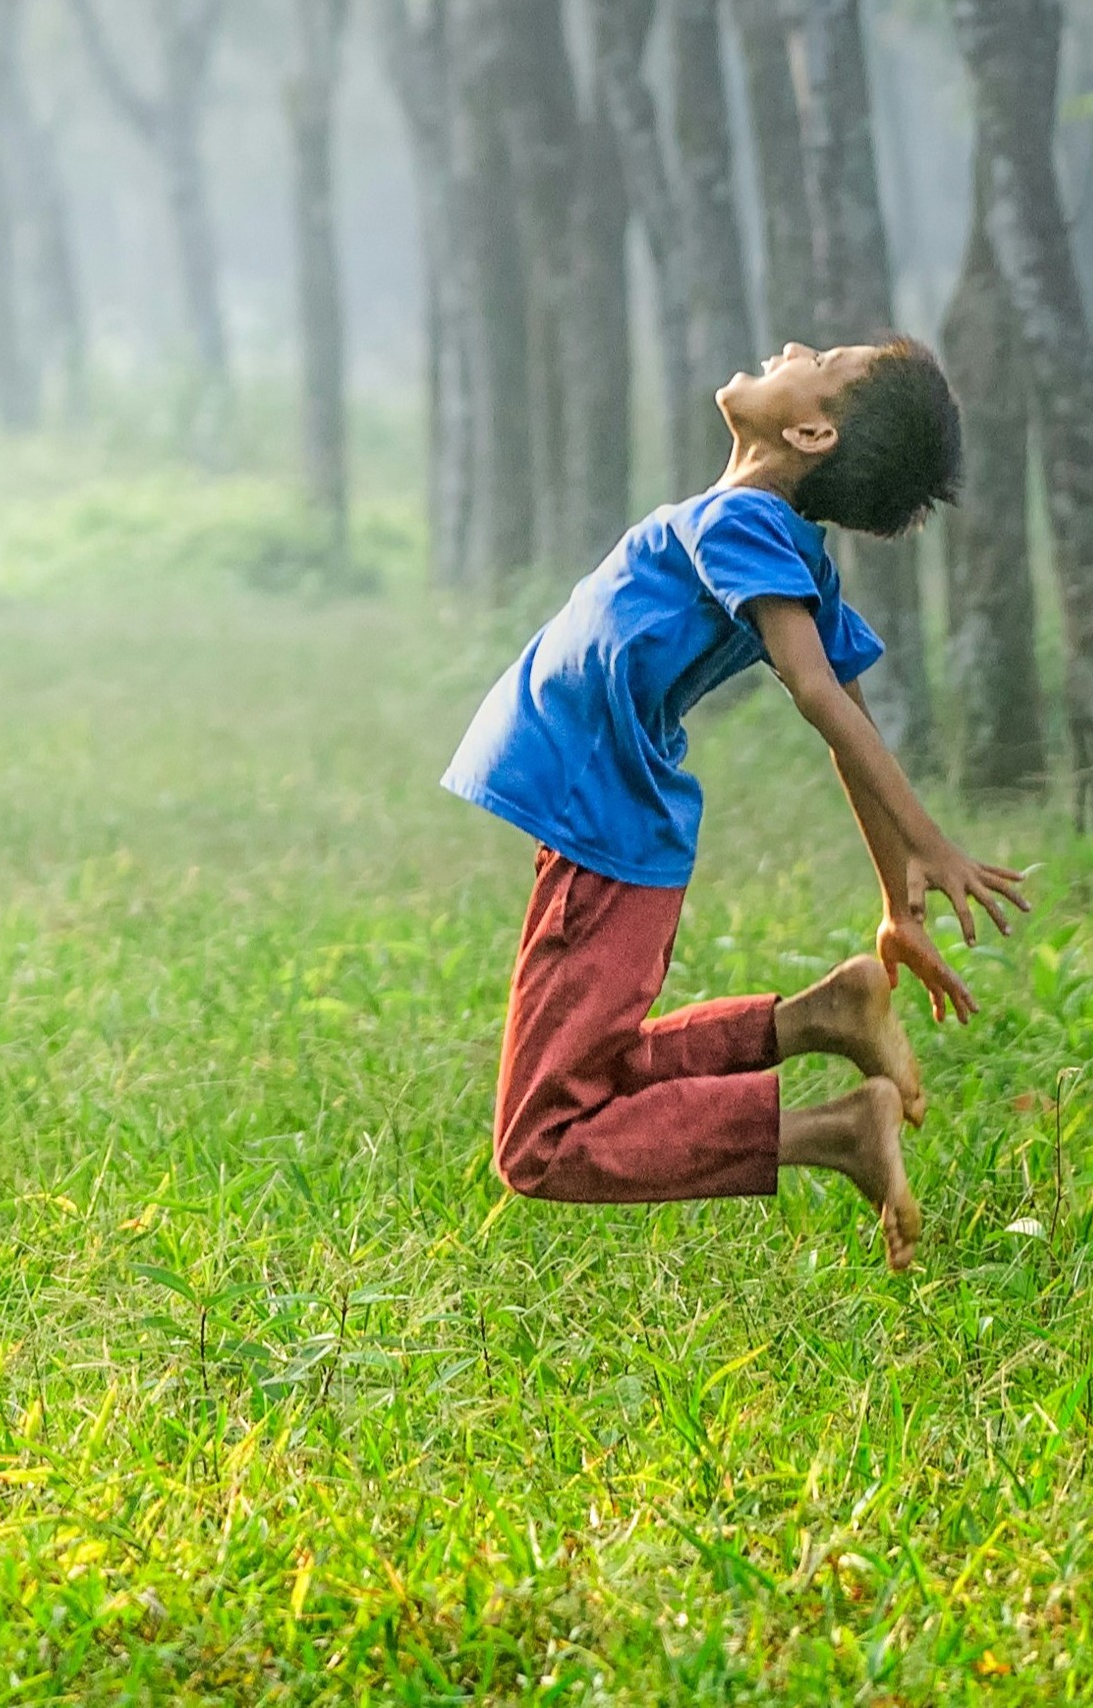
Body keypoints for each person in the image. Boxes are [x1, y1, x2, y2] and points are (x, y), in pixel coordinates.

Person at [441, 338, 1032, 1270]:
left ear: (810, 428)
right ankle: (822, 1017)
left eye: (823, 358)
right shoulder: (762, 530)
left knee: (541, 1140)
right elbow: (849, 702)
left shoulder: (749, 522)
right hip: (603, 823)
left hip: (603, 828)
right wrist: (893, 902)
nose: (794, 345)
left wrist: (926, 844)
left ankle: (834, 1133)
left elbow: (820, 691)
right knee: (592, 1075)